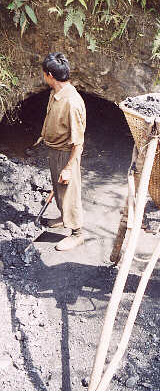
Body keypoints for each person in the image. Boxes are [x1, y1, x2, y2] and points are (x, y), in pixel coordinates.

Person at [39, 52, 86, 251]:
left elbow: (78, 143)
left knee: (70, 192)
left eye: (43, 74)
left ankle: (77, 233)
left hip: (66, 154)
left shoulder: (72, 103)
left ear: (49, 74)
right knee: (58, 189)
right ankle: (63, 217)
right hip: (54, 150)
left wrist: (68, 168)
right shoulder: (56, 93)